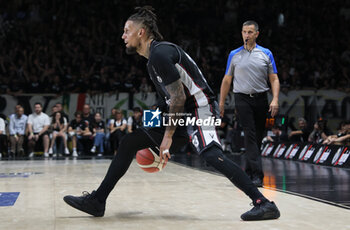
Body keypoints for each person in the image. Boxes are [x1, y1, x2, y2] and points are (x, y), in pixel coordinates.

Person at [63, 6, 280, 221]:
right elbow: (166, 102)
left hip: (200, 107)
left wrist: (167, 137)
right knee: (130, 141)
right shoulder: (152, 61)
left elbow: (178, 98)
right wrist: (147, 123)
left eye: (126, 30)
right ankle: (98, 200)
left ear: (141, 32)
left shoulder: (159, 54)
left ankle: (263, 202)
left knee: (210, 154)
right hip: (184, 111)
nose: (123, 36)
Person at [219, 20, 280, 187]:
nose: (246, 35)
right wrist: (222, 102)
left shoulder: (266, 53)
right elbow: (226, 80)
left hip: (261, 98)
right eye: (244, 32)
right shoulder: (234, 54)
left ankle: (248, 170)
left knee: (257, 137)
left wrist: (275, 99)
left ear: (257, 34)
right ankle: (258, 176)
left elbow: (274, 78)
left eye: (250, 32)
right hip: (242, 98)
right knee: (250, 134)